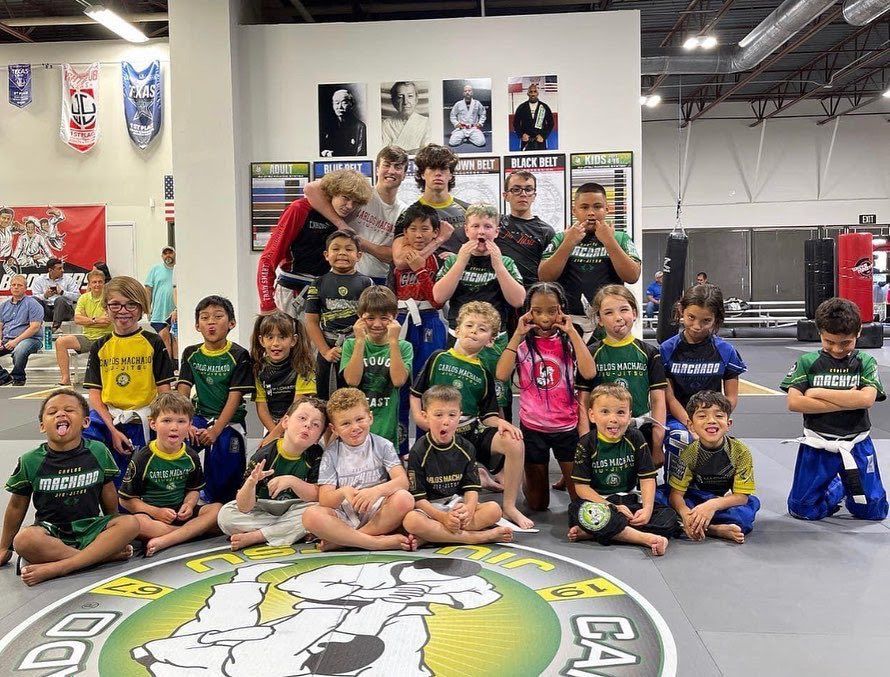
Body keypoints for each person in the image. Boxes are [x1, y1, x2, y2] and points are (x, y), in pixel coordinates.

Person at [131, 558, 499, 675]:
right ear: (414, 568)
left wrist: (440, 597)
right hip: (319, 616)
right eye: (432, 576)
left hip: (396, 622)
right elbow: (298, 585)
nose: (436, 581)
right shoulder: (363, 572)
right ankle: (176, 650)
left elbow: (483, 595)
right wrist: (368, 594)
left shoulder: (452, 584)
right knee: (249, 660)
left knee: (401, 662)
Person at [411, 301, 533, 529]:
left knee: (514, 442)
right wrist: (419, 417)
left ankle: (509, 506)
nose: (474, 331)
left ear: (490, 340)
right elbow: (415, 392)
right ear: (457, 330)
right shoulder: (438, 357)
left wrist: (503, 423)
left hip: (471, 433)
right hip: (440, 433)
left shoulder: (484, 373)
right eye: (469, 325)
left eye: (482, 329)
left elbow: (488, 416)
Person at [0, 389, 139, 586]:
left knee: (130, 523)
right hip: (51, 532)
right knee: (24, 540)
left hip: (90, 528)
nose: (61, 414)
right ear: (42, 426)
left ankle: (59, 566)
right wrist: (4, 547)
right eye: (52, 412)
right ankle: (98, 557)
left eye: (69, 410)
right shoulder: (30, 461)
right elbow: (16, 506)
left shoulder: (98, 451)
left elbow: (107, 491)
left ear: (86, 422)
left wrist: (114, 520)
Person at [780, 297, 888, 521]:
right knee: (802, 509)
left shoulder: (865, 362)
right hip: (818, 444)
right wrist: (850, 396)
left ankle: (849, 485)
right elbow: (795, 403)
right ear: (819, 332)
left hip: (856, 444)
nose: (837, 349)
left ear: (858, 332)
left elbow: (867, 400)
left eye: (845, 342)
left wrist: (816, 392)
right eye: (829, 342)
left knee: (873, 512)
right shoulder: (808, 362)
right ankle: (838, 486)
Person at [496, 282, 595, 511]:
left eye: (552, 311)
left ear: (561, 310)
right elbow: (501, 375)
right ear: (529, 312)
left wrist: (571, 331)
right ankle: (525, 477)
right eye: (537, 311)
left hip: (566, 428)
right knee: (538, 504)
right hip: (533, 428)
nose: (545, 318)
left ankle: (564, 478)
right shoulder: (522, 345)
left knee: (579, 502)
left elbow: (589, 372)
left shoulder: (569, 342)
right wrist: (518, 334)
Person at [83, 276, 176, 481]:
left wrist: (160, 422)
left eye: (131, 305)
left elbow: (164, 392)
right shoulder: (100, 346)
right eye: (115, 304)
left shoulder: (153, 342)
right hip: (109, 418)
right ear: (106, 308)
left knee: (137, 478)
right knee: (82, 433)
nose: (123, 311)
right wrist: (112, 430)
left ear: (142, 308)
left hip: (143, 418)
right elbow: (95, 397)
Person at [301, 388, 417, 551]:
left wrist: (375, 491)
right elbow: (325, 499)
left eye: (359, 419)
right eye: (346, 423)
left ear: (370, 417)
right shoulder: (331, 453)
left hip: (378, 511)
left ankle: (346, 540)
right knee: (311, 515)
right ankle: (375, 543)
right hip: (346, 514)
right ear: (334, 429)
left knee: (404, 499)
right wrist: (343, 492)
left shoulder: (383, 445)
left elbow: (402, 482)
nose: (355, 427)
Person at [567, 384, 675, 556]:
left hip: (629, 500)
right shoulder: (586, 444)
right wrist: (612, 507)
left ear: (630, 415)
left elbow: (647, 478)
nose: (613, 419)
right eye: (605, 412)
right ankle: (645, 538)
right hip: (601, 502)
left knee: (669, 517)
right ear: (592, 415)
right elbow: (581, 488)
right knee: (577, 510)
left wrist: (646, 510)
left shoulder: (636, 437)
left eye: (620, 412)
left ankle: (597, 531)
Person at [403, 385, 513, 545]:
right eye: (438, 415)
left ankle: (431, 536)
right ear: (425, 416)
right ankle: (479, 537)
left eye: (452, 415)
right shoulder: (418, 451)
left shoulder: (467, 447)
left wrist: (468, 509)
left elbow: (471, 488)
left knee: (494, 510)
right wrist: (443, 518)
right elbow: (418, 499)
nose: (446, 421)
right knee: (411, 521)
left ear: (460, 416)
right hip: (431, 509)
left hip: (457, 505)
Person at [257, 169, 373, 318]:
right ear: (332, 192)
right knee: (289, 341)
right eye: (345, 198)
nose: (349, 206)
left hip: (324, 294)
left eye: (355, 202)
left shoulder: (346, 220)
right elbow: (268, 259)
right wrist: (267, 304)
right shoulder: (299, 209)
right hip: (292, 293)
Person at [660, 284, 746, 481]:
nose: (697, 326)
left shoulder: (725, 351)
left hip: (711, 417)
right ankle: (675, 488)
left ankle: (709, 487)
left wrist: (713, 419)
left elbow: (731, 398)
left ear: (716, 319)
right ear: (682, 311)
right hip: (677, 417)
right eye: (691, 318)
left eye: (706, 321)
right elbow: (669, 397)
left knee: (715, 443)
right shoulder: (667, 349)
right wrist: (690, 424)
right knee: (680, 437)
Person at [119, 393, 222, 557]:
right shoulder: (143, 458)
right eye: (167, 421)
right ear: (153, 423)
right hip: (153, 517)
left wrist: (188, 504)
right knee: (137, 523)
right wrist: (155, 512)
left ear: (190, 425)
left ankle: (170, 538)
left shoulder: (190, 456)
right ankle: (190, 533)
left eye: (181, 421)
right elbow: (126, 500)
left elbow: (194, 489)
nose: (174, 427)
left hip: (180, 513)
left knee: (217, 509)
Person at [217, 397, 326, 550]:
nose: (308, 425)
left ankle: (257, 536)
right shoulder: (264, 455)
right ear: (286, 422)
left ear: (319, 437)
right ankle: (293, 531)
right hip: (264, 508)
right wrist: (250, 484)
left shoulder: (316, 454)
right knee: (225, 516)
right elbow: (244, 507)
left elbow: (318, 495)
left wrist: (292, 481)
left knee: (321, 509)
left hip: (297, 507)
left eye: (316, 425)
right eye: (302, 418)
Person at [177, 296, 254, 504]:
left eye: (218, 317)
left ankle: (223, 503)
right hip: (199, 417)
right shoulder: (191, 353)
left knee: (225, 457)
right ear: (197, 325)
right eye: (205, 317)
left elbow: (235, 397)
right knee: (175, 441)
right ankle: (179, 500)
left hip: (229, 423)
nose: (211, 322)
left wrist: (215, 430)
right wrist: (187, 423)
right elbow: (183, 390)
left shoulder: (239, 354)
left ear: (231, 323)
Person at [579, 285, 667, 463]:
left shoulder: (649, 353)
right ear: (600, 320)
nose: (618, 318)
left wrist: (657, 444)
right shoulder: (590, 354)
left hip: (640, 432)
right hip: (602, 433)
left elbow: (658, 400)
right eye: (609, 312)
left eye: (624, 310)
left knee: (644, 486)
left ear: (634, 313)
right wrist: (585, 443)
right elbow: (583, 402)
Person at [539, 183, 641, 333]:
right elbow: (544, 276)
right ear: (574, 211)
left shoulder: (620, 237)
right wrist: (568, 243)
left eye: (597, 207)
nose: (591, 213)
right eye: (585, 207)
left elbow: (632, 276)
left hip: (609, 321)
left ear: (607, 209)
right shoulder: (562, 238)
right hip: (569, 321)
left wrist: (609, 241)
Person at [305, 146, 408, 283]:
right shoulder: (359, 194)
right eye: (386, 165)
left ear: (405, 174)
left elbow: (393, 256)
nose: (391, 171)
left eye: (398, 167)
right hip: (341, 275)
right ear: (377, 169)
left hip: (379, 281)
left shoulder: (404, 211)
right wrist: (341, 224)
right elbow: (310, 189)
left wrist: (358, 241)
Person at [668, 391, 760, 543]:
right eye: (702, 416)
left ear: (728, 424)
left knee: (746, 511)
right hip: (695, 499)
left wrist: (712, 506)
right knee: (660, 498)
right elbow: (676, 495)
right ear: (691, 425)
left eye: (719, 416)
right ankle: (714, 529)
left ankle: (696, 526)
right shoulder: (689, 454)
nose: (711, 421)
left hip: (722, 501)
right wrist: (685, 514)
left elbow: (741, 497)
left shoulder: (740, 452)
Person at [340, 286, 412, 454]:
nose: (377, 324)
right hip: (357, 428)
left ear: (394, 318)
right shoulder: (351, 344)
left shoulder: (404, 347)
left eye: (384, 318)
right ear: (360, 318)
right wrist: (359, 341)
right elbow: (352, 380)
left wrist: (394, 341)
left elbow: (399, 380)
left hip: (387, 428)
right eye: (370, 318)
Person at [305, 229, 374, 401]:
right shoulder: (318, 283)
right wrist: (325, 351)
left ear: (359, 255)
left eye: (349, 249)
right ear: (326, 254)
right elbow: (311, 322)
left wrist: (360, 343)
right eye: (336, 249)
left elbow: (373, 320)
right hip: (329, 348)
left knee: (357, 397)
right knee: (326, 400)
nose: (342, 253)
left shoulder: (367, 283)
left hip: (358, 347)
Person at [250, 312, 316, 445]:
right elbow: (262, 407)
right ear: (262, 340)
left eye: (282, 337)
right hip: (272, 426)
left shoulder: (303, 367)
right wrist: (273, 433)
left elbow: (298, 406)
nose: (276, 343)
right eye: (270, 337)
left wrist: (277, 434)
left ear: (293, 340)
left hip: (300, 423)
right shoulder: (258, 369)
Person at [392, 144, 464, 262]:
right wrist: (439, 240)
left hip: (459, 279)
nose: (438, 174)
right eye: (432, 168)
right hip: (423, 278)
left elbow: (483, 253)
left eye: (443, 169)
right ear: (422, 174)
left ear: (451, 175)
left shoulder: (468, 210)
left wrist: (459, 258)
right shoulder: (408, 214)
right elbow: (400, 261)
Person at [497, 171, 556, 289]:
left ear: (534, 196)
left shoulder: (546, 231)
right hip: (498, 293)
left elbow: (549, 271)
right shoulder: (495, 224)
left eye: (528, 189)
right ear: (506, 196)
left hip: (531, 294)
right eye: (516, 189)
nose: (523, 194)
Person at [55, 269, 112, 386]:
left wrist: (87, 320)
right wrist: (96, 320)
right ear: (89, 284)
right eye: (94, 282)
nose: (97, 285)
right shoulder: (83, 298)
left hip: (106, 338)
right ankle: (66, 378)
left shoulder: (109, 298)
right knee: (61, 342)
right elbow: (77, 319)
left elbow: (106, 322)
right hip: (87, 337)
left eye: (100, 282)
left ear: (104, 283)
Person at [0, 274, 43, 386]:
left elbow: (34, 327)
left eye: (19, 285)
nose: (16, 287)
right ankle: (4, 377)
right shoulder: (3, 306)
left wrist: (16, 341)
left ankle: (18, 377)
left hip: (30, 339)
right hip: (7, 340)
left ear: (25, 288)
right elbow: (0, 326)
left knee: (20, 349)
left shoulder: (33, 304)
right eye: (13, 285)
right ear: (10, 287)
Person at [31, 257, 80, 332]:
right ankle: (34, 325)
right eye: (59, 269)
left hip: (65, 311)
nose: (62, 270)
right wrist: (45, 296)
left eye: (62, 268)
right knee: (34, 300)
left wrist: (62, 293)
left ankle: (55, 327)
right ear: (50, 270)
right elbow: (34, 298)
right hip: (48, 311)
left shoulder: (68, 279)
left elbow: (77, 297)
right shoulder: (39, 280)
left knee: (59, 299)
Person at [144, 246, 176, 358]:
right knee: (164, 337)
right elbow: (148, 290)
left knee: (175, 339)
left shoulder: (179, 269)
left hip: (176, 312)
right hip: (159, 312)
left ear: (175, 254)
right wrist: (147, 309)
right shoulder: (155, 269)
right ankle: (168, 366)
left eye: (170, 253)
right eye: (165, 253)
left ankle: (175, 366)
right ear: (162, 256)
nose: (168, 255)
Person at [381, 81, 430, 153]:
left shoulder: (426, 122)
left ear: (416, 99)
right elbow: (384, 152)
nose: (405, 102)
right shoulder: (386, 124)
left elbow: (427, 150)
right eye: (400, 97)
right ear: (393, 100)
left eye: (410, 96)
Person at [320, 88, 367, 157]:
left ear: (351, 105)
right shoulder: (327, 125)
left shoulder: (360, 127)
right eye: (337, 103)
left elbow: (361, 155)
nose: (339, 107)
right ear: (333, 105)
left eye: (344, 103)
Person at [512, 82, 554, 151]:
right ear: (528, 93)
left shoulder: (544, 107)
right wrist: (522, 135)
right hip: (526, 140)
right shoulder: (521, 107)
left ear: (537, 93)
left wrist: (543, 136)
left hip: (540, 140)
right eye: (531, 92)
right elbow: (516, 123)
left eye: (535, 91)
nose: (533, 94)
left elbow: (551, 123)